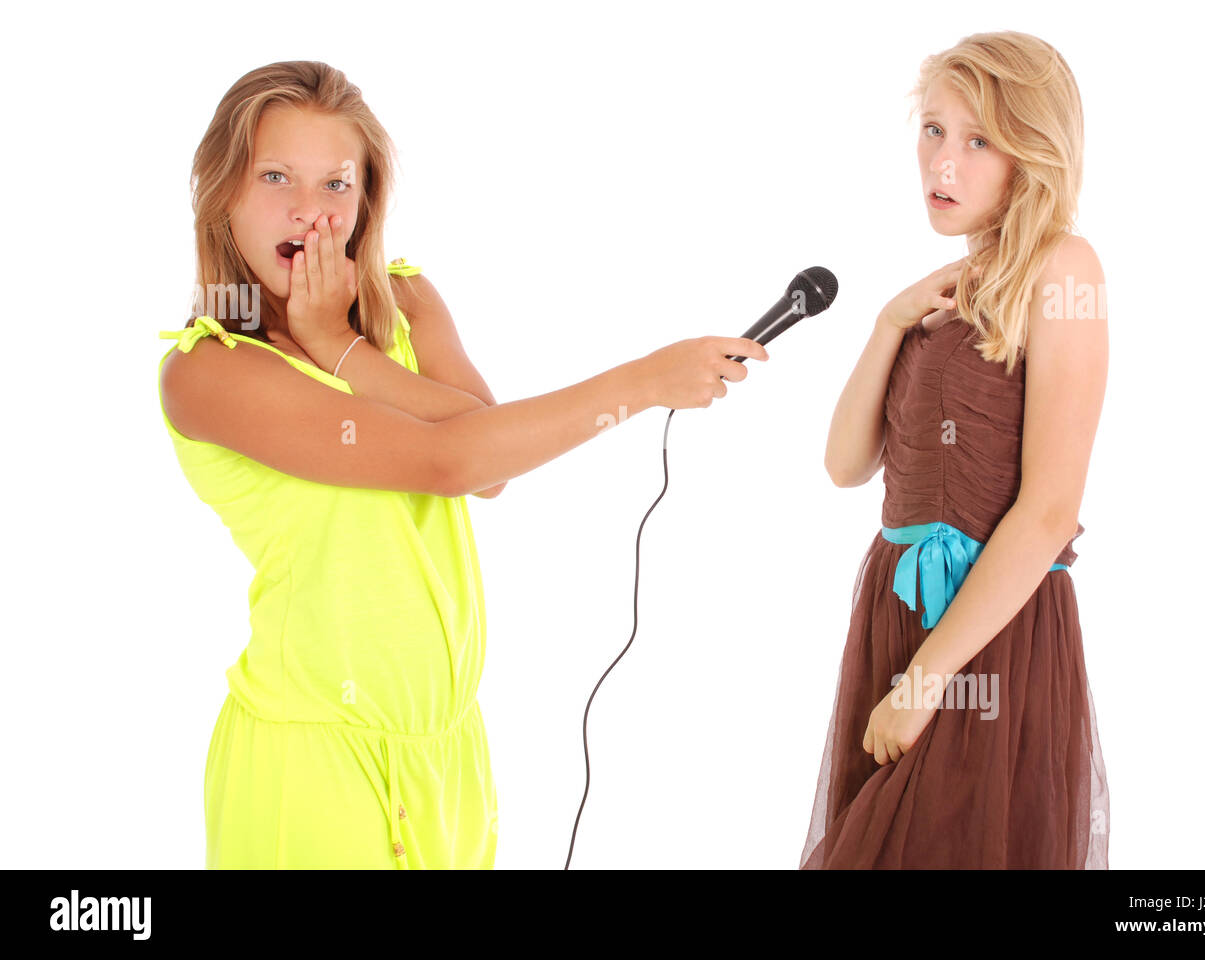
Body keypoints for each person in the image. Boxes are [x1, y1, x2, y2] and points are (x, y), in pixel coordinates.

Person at [157, 60, 767, 869]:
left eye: (336, 183)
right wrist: (644, 381)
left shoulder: (408, 303)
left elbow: (490, 463)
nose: (310, 213)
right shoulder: (210, 371)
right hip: (313, 760)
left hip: (449, 753)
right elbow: (450, 459)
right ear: (223, 192)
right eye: (275, 177)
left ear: (368, 197)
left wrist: (344, 347)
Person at [802, 32, 1110, 869]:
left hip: (984, 635)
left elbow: (1048, 512)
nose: (944, 160)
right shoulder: (949, 288)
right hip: (899, 617)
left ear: (1033, 157)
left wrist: (928, 679)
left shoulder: (1063, 269)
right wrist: (886, 324)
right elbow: (844, 465)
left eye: (980, 140)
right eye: (934, 129)